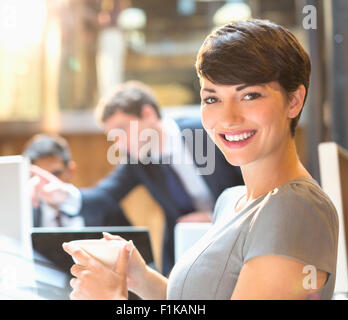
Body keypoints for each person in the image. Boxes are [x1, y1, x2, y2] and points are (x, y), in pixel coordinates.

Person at [62, 19, 339, 300]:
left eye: (250, 95)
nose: (228, 119)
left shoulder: (294, 209)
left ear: (294, 101)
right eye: (212, 99)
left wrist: (112, 299)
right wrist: (143, 279)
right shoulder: (231, 201)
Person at [30, 81, 244, 275]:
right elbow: (104, 196)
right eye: (114, 138)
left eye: (122, 130)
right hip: (185, 251)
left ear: (148, 114)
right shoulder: (138, 159)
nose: (120, 144)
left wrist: (215, 216)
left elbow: (253, 186)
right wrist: (62, 194)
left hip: (239, 236)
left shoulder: (205, 132)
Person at [24, 134, 130, 227]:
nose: (50, 183)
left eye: (56, 174)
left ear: (70, 171)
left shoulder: (102, 207)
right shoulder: (24, 216)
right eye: (40, 176)